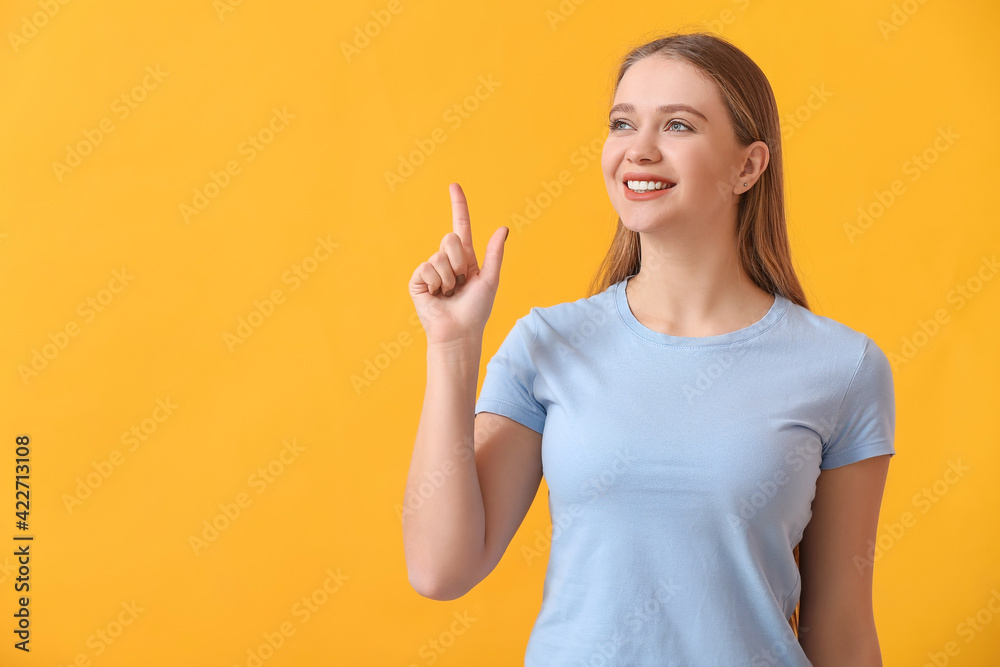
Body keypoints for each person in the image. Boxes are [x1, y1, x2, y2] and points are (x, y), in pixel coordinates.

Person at [403, 31, 895, 666]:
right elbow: (441, 570)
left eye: (679, 126)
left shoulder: (842, 367)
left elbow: (843, 630)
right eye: (622, 123)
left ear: (748, 166)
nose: (638, 150)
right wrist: (452, 345)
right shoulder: (548, 345)